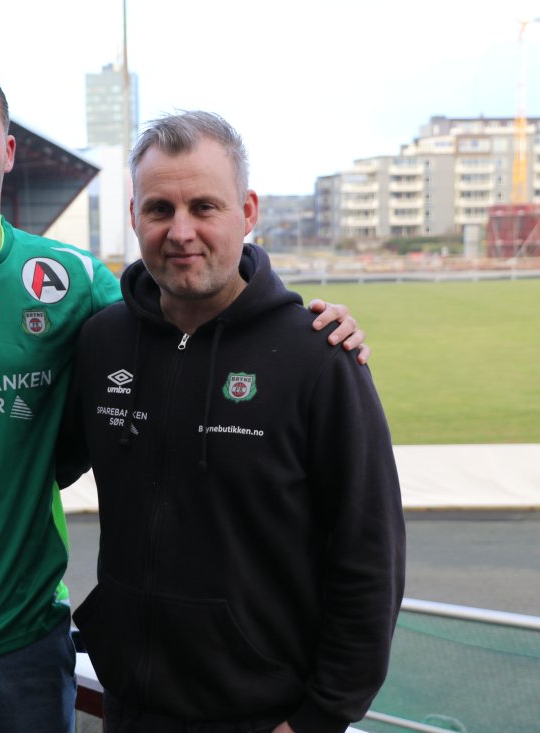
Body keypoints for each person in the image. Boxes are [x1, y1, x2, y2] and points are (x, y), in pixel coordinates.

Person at [0, 61, 369, 733]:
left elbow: (189, 303)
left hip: (27, 644)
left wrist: (304, 324)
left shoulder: (75, 284)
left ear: (9, 152)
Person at [58, 111, 405, 733]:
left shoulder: (318, 357)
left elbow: (369, 555)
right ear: (135, 215)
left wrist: (320, 719)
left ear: (247, 212)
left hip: (265, 717)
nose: (181, 231)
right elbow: (43, 463)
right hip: (131, 710)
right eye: (160, 209)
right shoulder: (103, 342)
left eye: (205, 207)